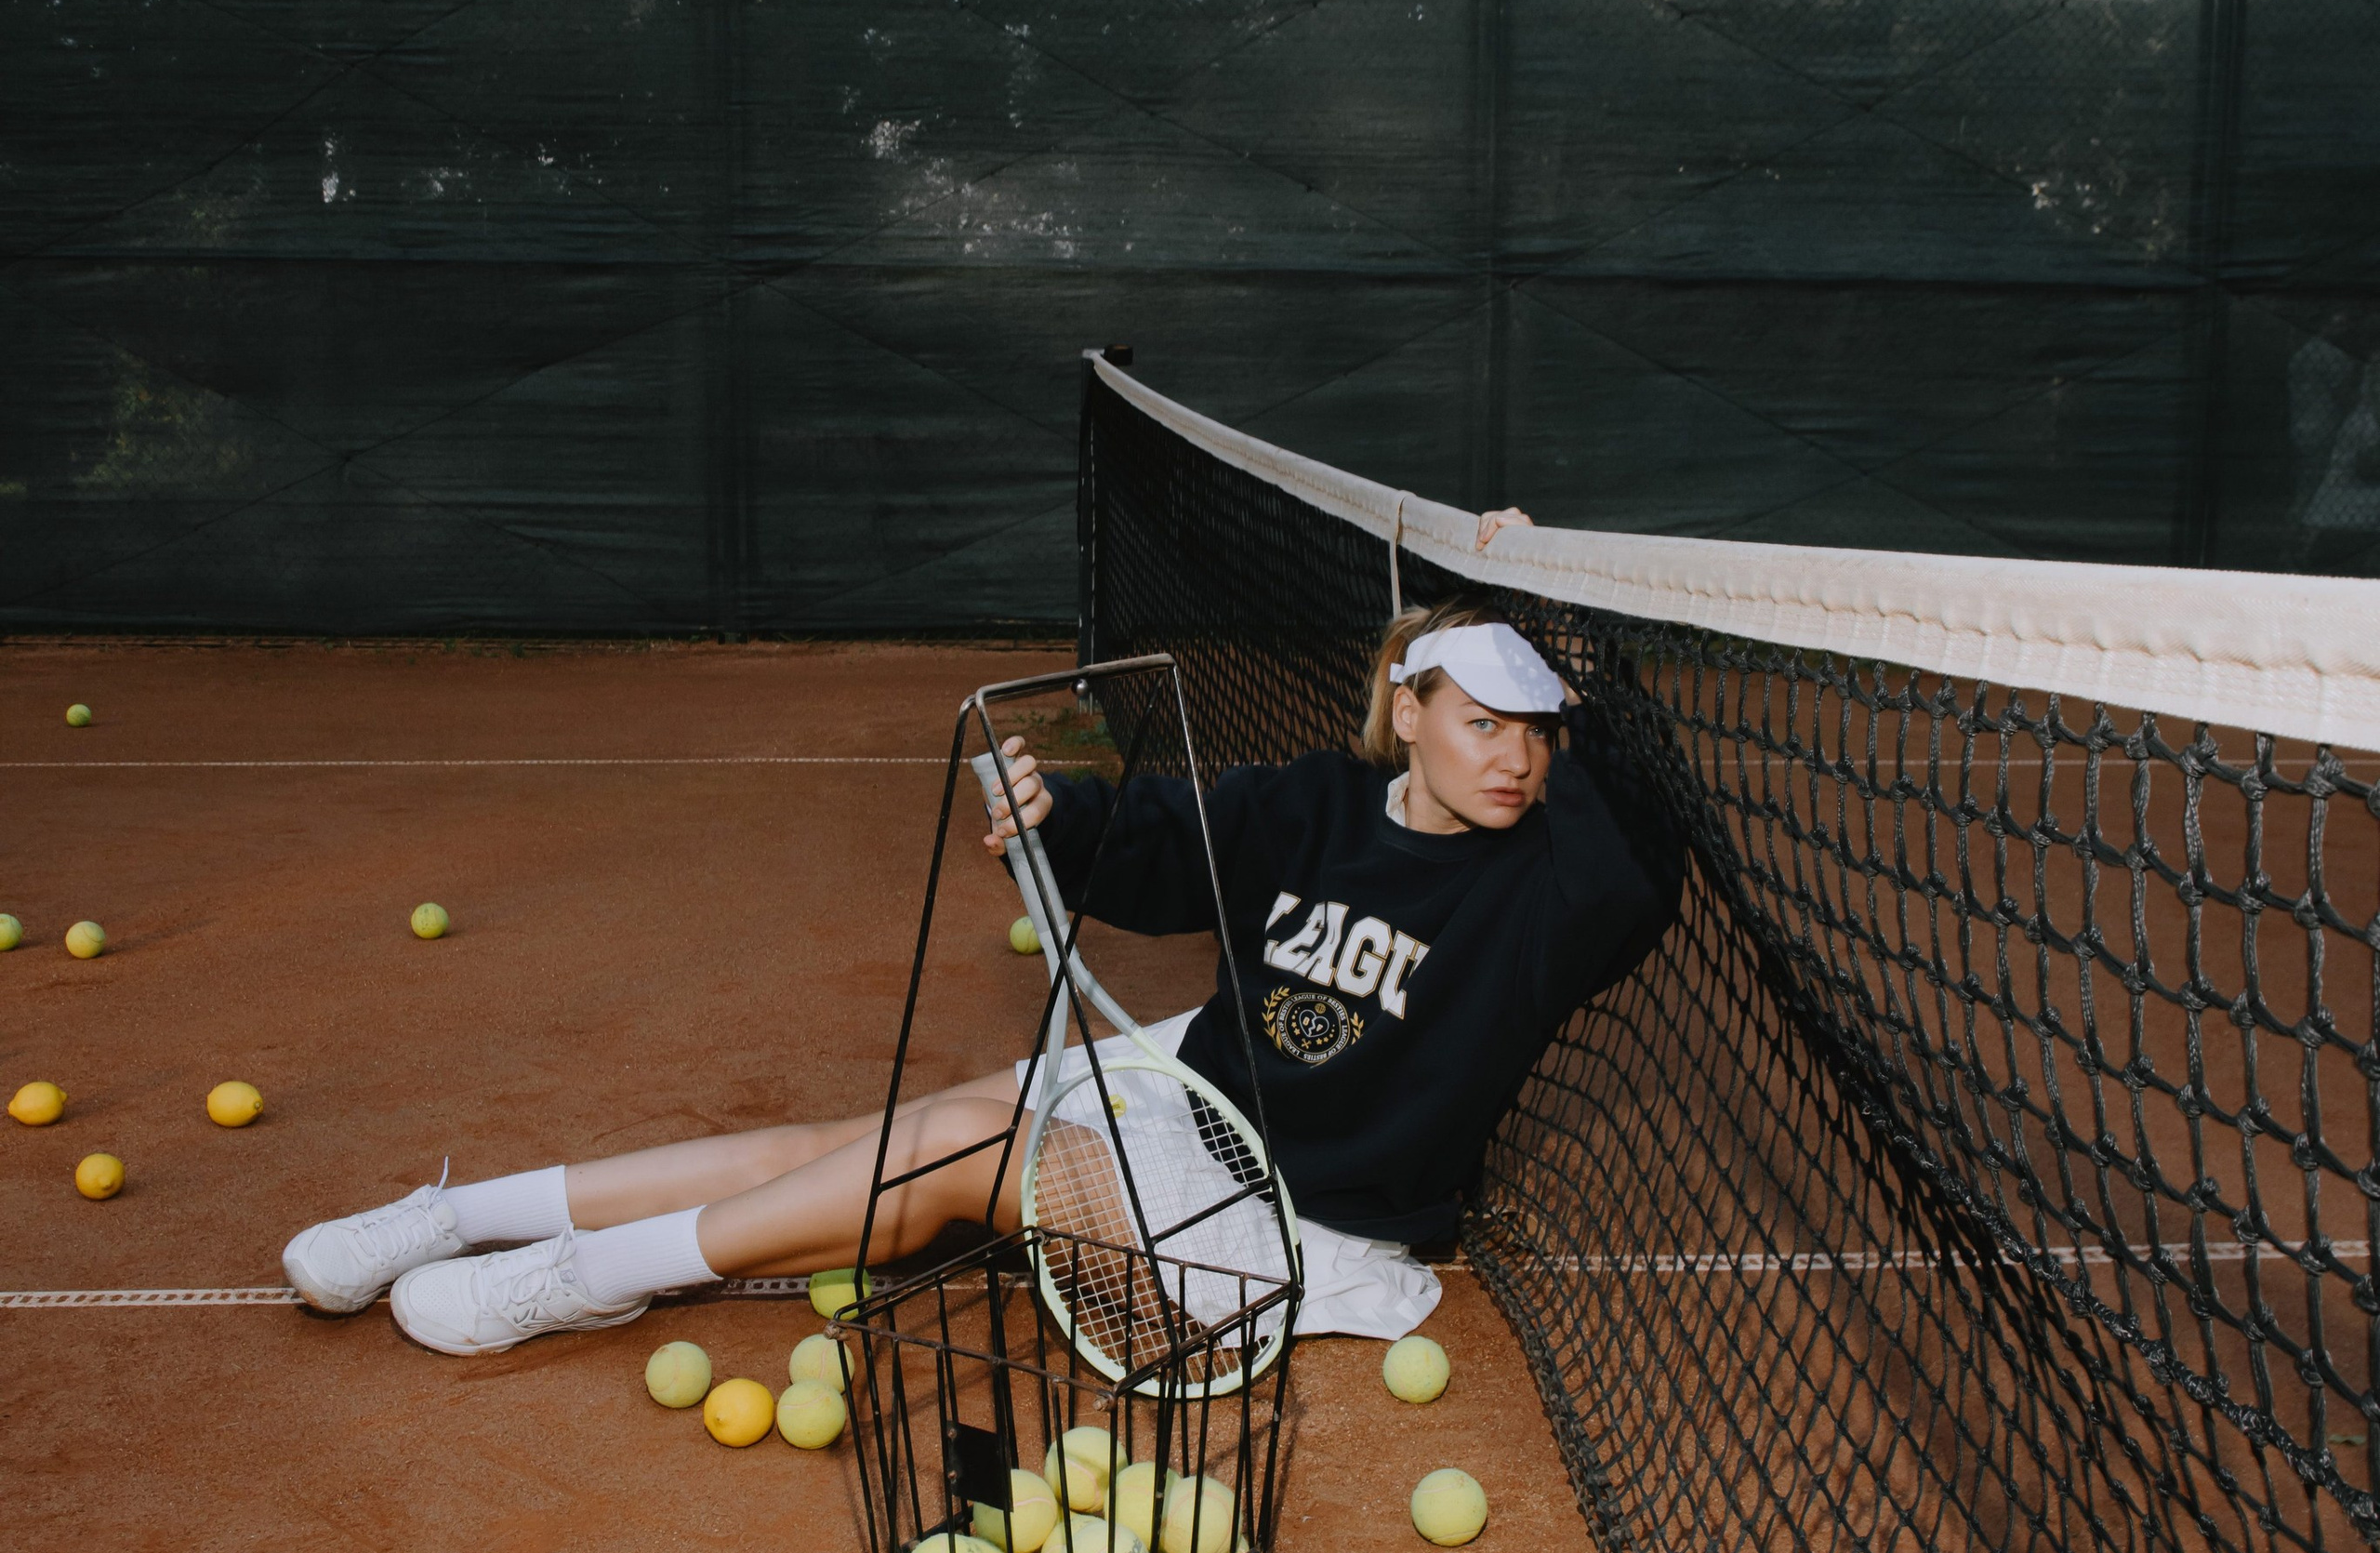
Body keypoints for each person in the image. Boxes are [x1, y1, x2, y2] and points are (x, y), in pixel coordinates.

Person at [281, 583, 1685, 1355]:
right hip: (1180, 1108)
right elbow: (1147, 847)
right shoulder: (1314, 803)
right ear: (1410, 709)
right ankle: (464, 1217)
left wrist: (1574, 635)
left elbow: (1642, 846)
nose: (1515, 756)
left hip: (1282, 1232)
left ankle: (583, 1278)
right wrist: (1053, 810)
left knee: (956, 1146)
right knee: (868, 1139)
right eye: (1483, 720)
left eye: (1535, 729)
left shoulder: (1549, 896)